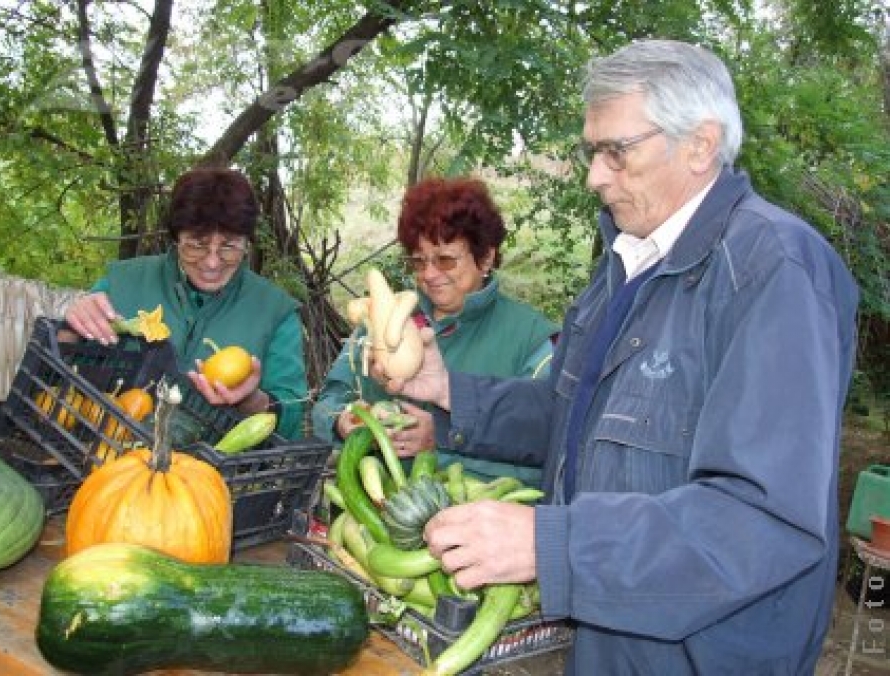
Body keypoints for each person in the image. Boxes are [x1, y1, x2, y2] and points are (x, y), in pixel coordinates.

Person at [381, 40, 859, 674]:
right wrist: (449, 392)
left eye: (616, 151)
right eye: (592, 151)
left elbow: (759, 519)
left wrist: (553, 547)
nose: (594, 175)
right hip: (611, 632)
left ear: (700, 144)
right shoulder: (627, 263)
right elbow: (570, 415)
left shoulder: (774, 271)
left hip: (706, 654)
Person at [313, 176, 558, 486]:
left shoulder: (533, 339)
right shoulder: (385, 316)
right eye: (419, 261)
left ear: (486, 257)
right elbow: (328, 400)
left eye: (445, 260)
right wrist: (342, 422)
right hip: (376, 512)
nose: (429, 275)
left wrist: (442, 443)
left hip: (476, 523)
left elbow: (546, 450)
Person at [63, 167, 307, 439]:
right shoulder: (122, 281)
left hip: (213, 474)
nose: (212, 262)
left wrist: (252, 400)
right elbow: (64, 356)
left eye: (229, 247)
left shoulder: (275, 311)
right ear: (176, 238)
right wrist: (73, 320)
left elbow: (292, 416)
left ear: (246, 243)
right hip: (102, 452)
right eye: (197, 245)